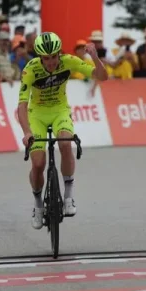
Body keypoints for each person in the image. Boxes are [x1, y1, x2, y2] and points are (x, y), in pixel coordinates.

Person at [17, 32, 108, 229]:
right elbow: (22, 105)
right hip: (37, 115)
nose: (50, 62)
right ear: (40, 57)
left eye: (54, 57)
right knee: (38, 163)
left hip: (59, 111)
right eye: (46, 59)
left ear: (59, 53)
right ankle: (38, 204)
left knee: (66, 143)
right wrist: (26, 132)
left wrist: (94, 57)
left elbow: (103, 76)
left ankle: (68, 196)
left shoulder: (69, 61)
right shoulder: (30, 70)